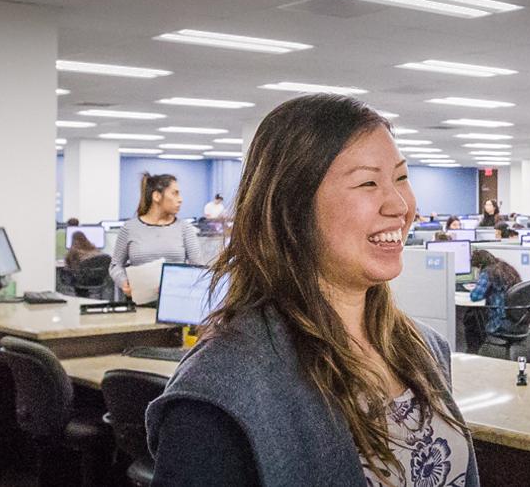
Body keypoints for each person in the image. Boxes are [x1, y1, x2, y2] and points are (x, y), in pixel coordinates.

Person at [147, 94, 476, 486]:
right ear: (292, 209)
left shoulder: (424, 349)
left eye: (402, 177)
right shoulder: (223, 388)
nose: (400, 204)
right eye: (368, 182)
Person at [111, 173, 203, 298]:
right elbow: (115, 265)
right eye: (174, 193)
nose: (180, 199)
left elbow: (198, 268)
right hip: (140, 303)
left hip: (175, 300)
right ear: (157, 196)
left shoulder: (185, 228)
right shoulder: (130, 228)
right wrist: (123, 282)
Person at [466, 250, 524, 352]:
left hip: (499, 322)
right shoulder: (506, 268)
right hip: (519, 320)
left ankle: (473, 351)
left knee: (471, 317)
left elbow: (475, 296)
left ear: (480, 265)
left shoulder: (488, 272)